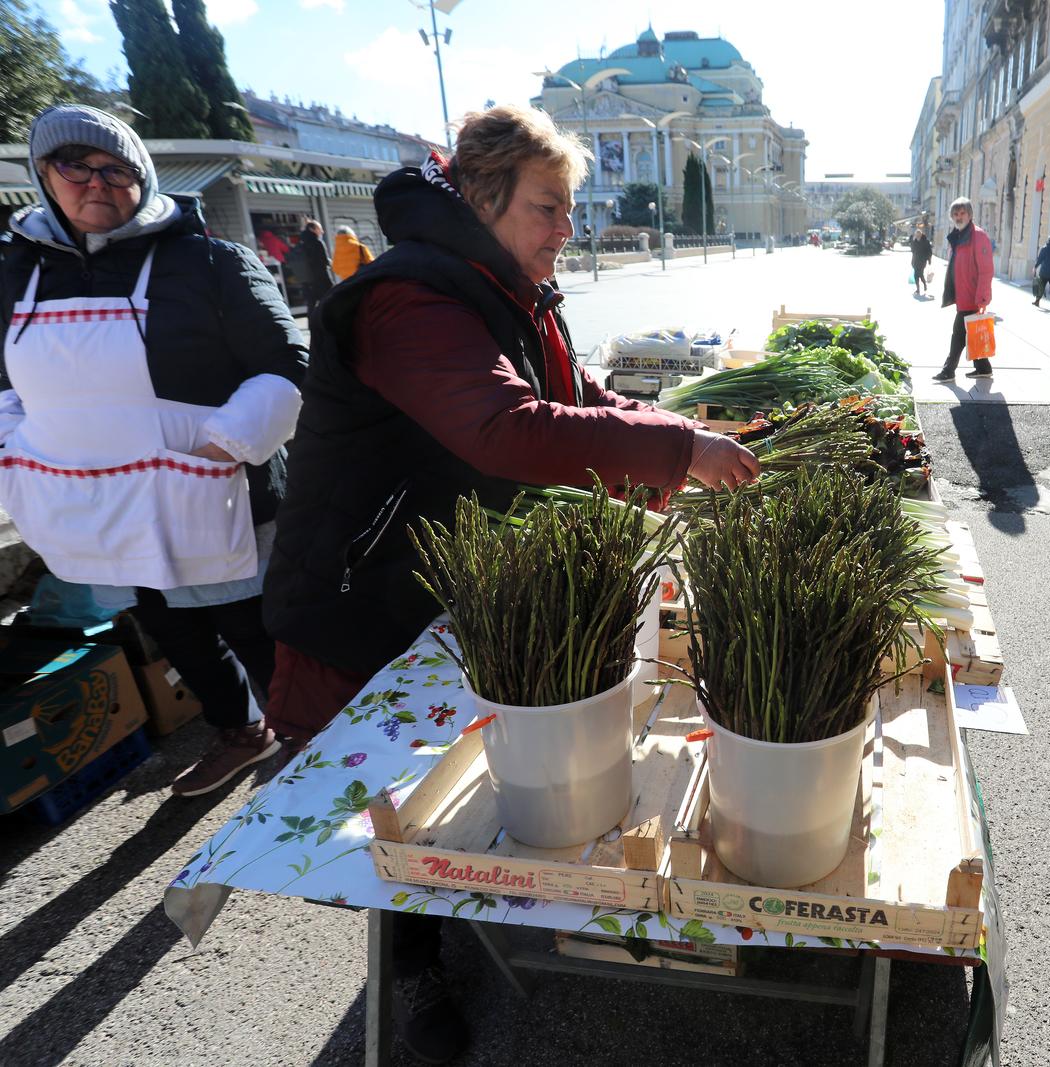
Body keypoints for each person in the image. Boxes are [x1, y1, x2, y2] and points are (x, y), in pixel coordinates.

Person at [259, 104, 757, 1063]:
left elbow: (573, 402)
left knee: (464, 768)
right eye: (547, 207)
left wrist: (672, 437)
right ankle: (410, 963)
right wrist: (677, 447)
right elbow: (507, 429)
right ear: (482, 201)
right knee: (394, 801)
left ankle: (462, 903)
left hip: (452, 587)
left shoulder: (505, 286)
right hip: (370, 596)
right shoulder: (411, 300)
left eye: (569, 208)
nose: (565, 227)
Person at [0, 105, 306, 796]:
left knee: (258, 630)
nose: (95, 183)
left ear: (142, 178)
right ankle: (242, 731)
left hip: (216, 492)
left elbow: (287, 361)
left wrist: (230, 440)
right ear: (45, 177)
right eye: (73, 166)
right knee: (174, 627)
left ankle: (306, 746)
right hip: (102, 503)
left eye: (115, 169)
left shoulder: (206, 261)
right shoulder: (16, 273)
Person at [932, 196, 993, 384]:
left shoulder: (978, 236)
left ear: (970, 214)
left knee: (958, 334)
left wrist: (982, 298)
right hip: (963, 295)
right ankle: (983, 367)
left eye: (962, 213)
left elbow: (986, 270)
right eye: (955, 214)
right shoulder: (958, 236)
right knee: (971, 332)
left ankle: (948, 370)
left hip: (972, 297)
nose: (959, 217)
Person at [292, 218, 334, 311]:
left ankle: (312, 324)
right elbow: (323, 262)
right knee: (328, 303)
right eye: (319, 229)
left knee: (311, 306)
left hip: (306, 280)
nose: (322, 232)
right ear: (312, 229)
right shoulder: (318, 243)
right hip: (321, 280)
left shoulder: (300, 244)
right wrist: (329, 262)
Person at [910, 224, 933, 296]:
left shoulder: (926, 241)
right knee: (916, 275)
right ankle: (918, 289)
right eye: (916, 235)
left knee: (919, 274)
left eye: (918, 234)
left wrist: (929, 259)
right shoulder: (915, 241)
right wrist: (913, 242)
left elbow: (929, 251)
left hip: (922, 261)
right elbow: (912, 250)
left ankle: (923, 285)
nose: (917, 236)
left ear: (921, 234)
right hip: (915, 260)